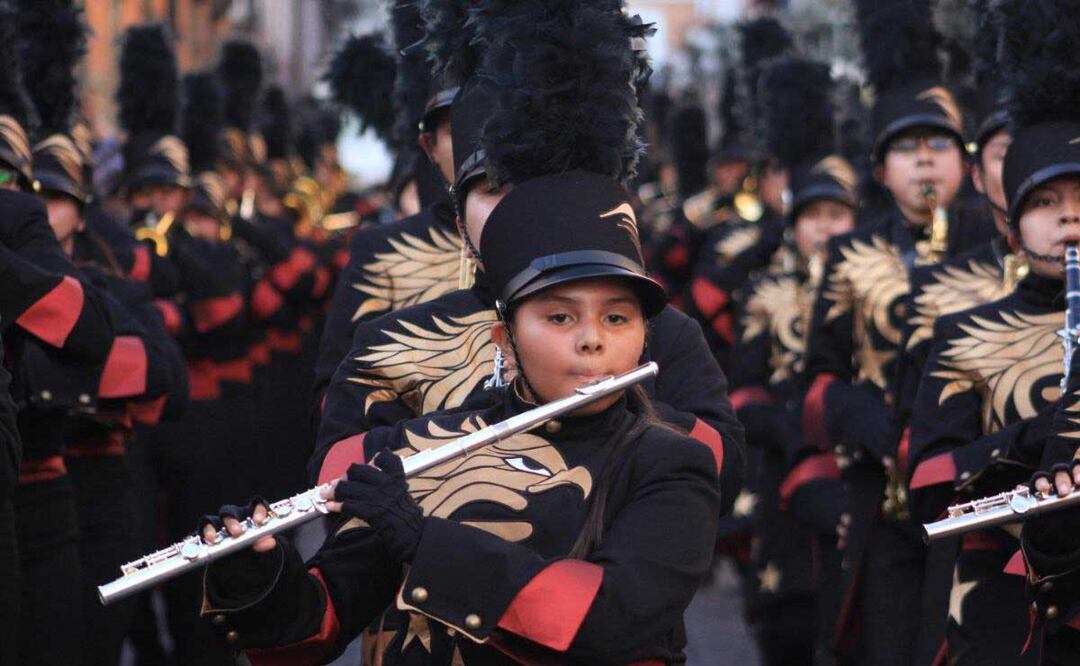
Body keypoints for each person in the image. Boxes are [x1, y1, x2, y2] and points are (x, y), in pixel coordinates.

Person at [198, 167, 721, 665]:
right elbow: (320, 626)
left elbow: (612, 619)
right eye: (559, 316)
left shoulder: (671, 461)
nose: (592, 339)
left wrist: (423, 541)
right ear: (506, 342)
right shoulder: (420, 447)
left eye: (617, 317)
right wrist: (259, 571)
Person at [315, 0, 744, 516]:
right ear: (458, 212)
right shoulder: (386, 344)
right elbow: (333, 485)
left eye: (537, 189)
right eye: (495, 190)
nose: (520, 215)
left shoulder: (662, 333)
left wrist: (609, 409)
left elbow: (721, 473)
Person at [909, 0, 1080, 662]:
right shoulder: (965, 332)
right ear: (1010, 222)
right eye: (1045, 201)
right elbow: (925, 478)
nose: (1068, 218)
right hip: (1005, 610)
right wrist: (1047, 433)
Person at [801, 0, 969, 662]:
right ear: (879, 169)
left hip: (979, 498)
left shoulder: (1001, 249)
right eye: (906, 147)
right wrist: (858, 414)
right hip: (886, 498)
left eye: (938, 145)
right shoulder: (850, 254)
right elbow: (816, 377)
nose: (924, 162)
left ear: (966, 159)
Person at [727, 55, 858, 666]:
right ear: (795, 223)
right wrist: (784, 429)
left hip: (859, 469)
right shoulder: (760, 289)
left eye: (838, 215)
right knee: (787, 624)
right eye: (814, 217)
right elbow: (743, 387)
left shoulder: (886, 291)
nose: (826, 229)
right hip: (782, 471)